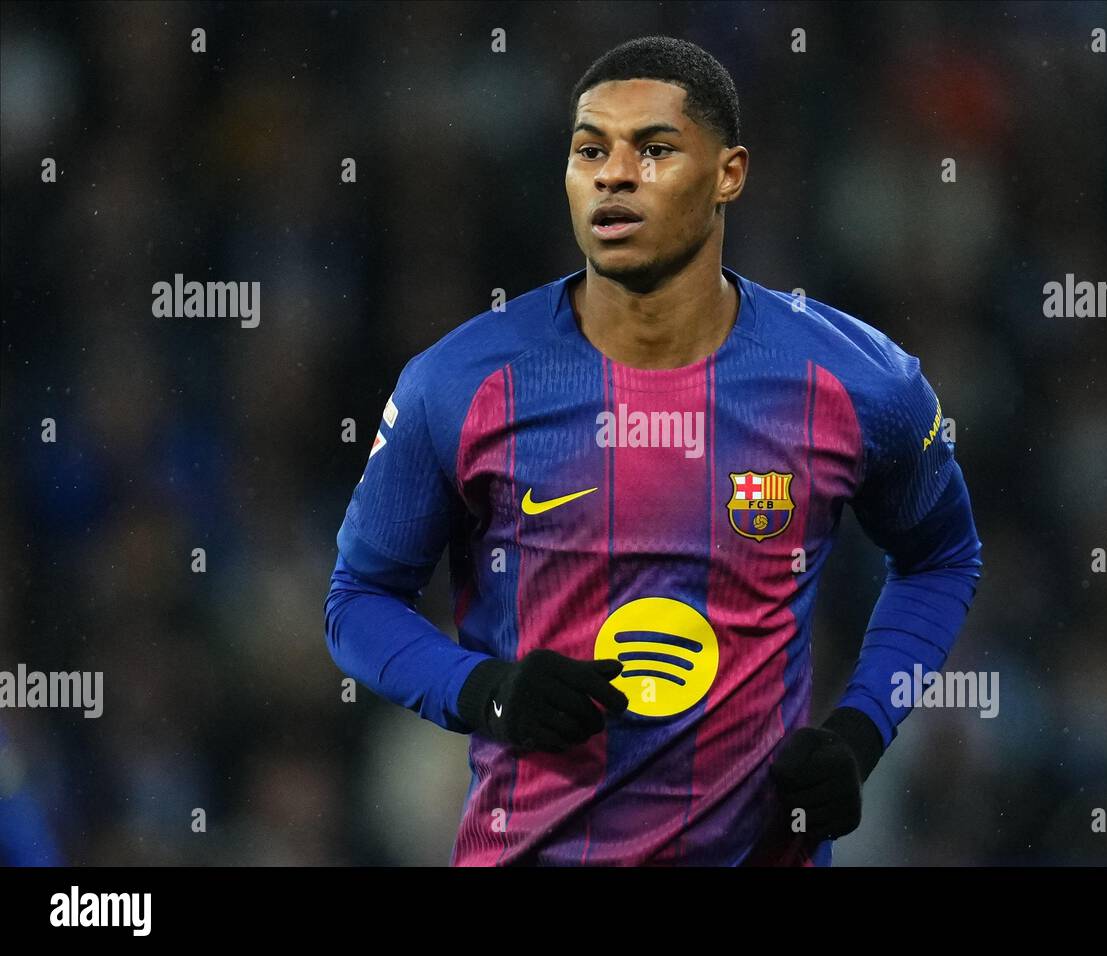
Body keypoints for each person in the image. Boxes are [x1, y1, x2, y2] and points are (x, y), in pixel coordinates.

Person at [324, 35, 982, 866]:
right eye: (590, 149)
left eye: (656, 149)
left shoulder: (860, 384)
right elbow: (355, 600)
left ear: (730, 174)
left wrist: (859, 733)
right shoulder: (458, 384)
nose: (614, 174)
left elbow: (941, 558)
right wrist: (483, 691)